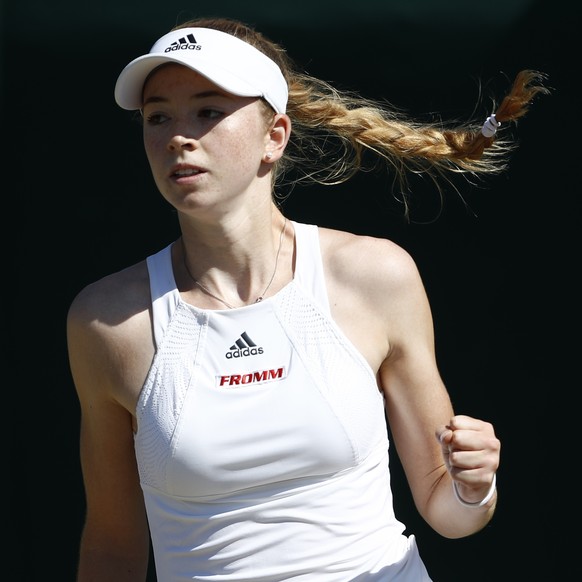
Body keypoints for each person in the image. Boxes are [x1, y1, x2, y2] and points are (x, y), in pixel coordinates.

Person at [66, 16, 548, 582]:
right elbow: (112, 549)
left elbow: (448, 508)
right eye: (157, 116)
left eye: (208, 111)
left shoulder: (375, 275)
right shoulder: (105, 322)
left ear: (275, 137)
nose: (178, 136)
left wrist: (474, 486)